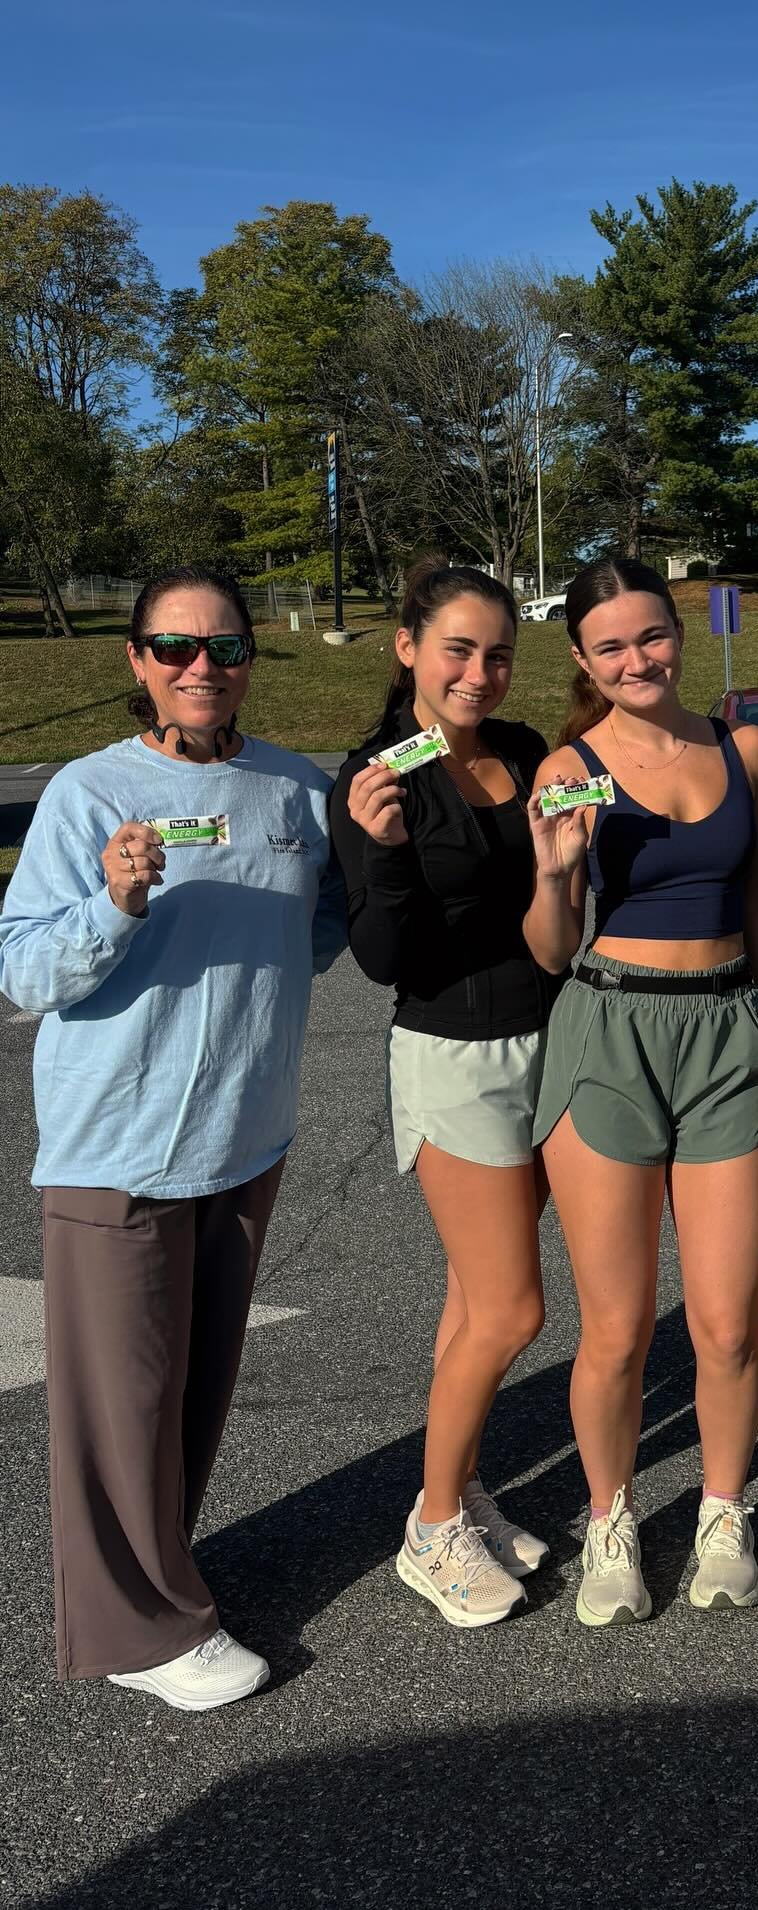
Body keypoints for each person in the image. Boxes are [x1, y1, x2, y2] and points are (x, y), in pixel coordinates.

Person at [0, 564, 347, 1709]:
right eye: (173, 646)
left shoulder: (297, 790)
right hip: (119, 1139)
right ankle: (138, 1631)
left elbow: (325, 929)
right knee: (120, 1402)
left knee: (191, 1388)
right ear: (137, 661)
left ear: (253, 657)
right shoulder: (89, 793)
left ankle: (164, 1567)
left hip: (247, 1137)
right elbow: (24, 968)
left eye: (225, 646)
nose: (201, 666)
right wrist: (113, 902)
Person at [524, 556, 758, 1627]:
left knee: (728, 1323)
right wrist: (553, 873)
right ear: (585, 660)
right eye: (611, 646)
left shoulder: (742, 748)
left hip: (727, 1027)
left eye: (652, 636)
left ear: (679, 633)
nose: (637, 659)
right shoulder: (570, 762)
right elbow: (549, 950)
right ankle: (611, 1517)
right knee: (619, 1328)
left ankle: (724, 1510)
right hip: (607, 1028)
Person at [330, 560, 563, 1631]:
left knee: (475, 1299)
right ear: (408, 645)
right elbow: (382, 959)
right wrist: (381, 854)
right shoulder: (378, 775)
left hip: (548, 1043)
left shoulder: (520, 751)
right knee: (515, 1304)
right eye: (458, 648)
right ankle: (430, 1528)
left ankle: (461, 1485)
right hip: (453, 1054)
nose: (479, 671)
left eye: (498, 652)